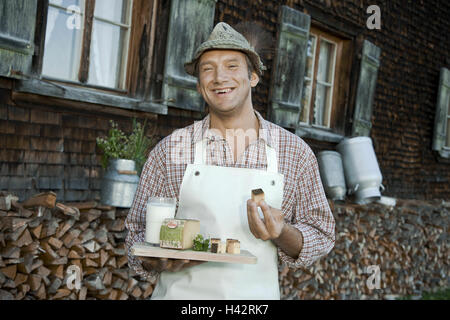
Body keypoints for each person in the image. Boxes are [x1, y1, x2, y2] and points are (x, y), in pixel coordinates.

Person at [125, 22, 335, 300]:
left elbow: (321, 234)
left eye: (232, 66)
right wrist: (157, 259)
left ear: (254, 77)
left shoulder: (294, 153)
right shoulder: (170, 150)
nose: (219, 77)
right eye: (207, 69)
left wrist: (281, 232)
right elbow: (137, 233)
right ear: (200, 86)